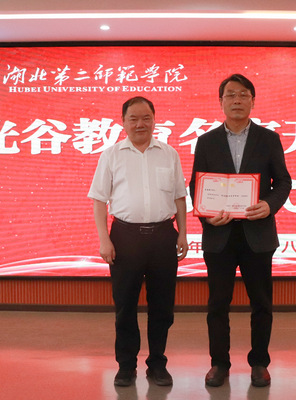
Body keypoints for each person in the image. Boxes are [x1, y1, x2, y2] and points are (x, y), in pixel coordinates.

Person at [189, 74, 291, 387]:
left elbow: (283, 181)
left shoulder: (269, 138)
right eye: (231, 95)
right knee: (217, 304)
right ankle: (219, 364)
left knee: (261, 303)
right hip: (218, 235)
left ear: (252, 101)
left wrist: (269, 205)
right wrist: (207, 217)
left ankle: (259, 363)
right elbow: (196, 185)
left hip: (257, 234)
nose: (237, 100)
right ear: (221, 102)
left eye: (243, 94)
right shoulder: (206, 141)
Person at [89, 96, 188, 387]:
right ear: (123, 122)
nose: (140, 124)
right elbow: (98, 200)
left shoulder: (169, 154)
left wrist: (183, 233)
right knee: (125, 307)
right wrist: (104, 239)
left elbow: (179, 197)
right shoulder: (111, 155)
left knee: (163, 307)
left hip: (163, 236)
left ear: (154, 120)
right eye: (133, 118)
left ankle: (157, 364)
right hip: (125, 237)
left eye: (146, 118)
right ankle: (126, 366)